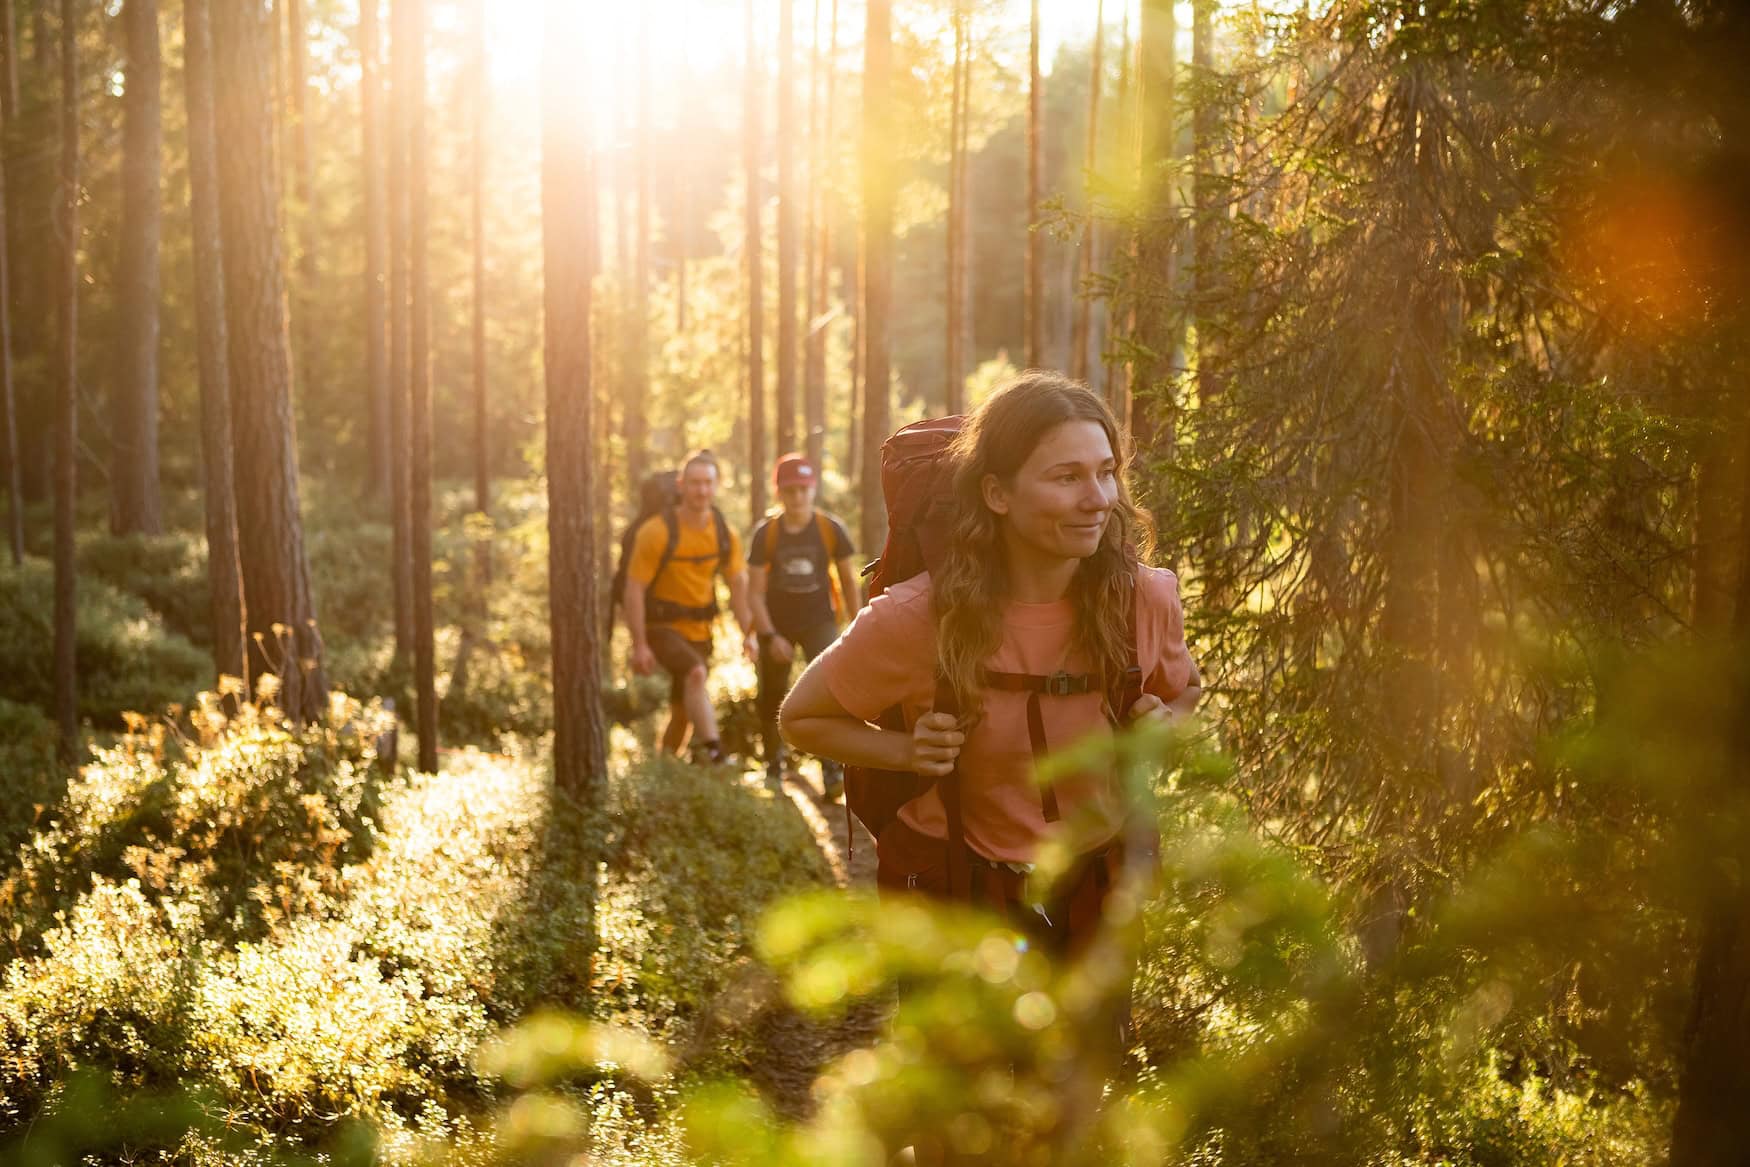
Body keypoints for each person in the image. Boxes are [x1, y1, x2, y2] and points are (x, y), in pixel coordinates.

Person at [779, 371, 1201, 953]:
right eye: (1066, 477)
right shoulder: (916, 616)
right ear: (997, 493)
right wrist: (906, 752)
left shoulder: (1145, 599)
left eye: (1107, 473)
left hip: (1092, 895)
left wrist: (1165, 724)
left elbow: (1185, 691)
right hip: (954, 899)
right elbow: (800, 717)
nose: (1099, 499)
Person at [623, 450, 756, 766]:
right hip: (661, 628)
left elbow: (738, 586)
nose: (702, 490)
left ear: (717, 485)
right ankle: (715, 752)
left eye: (708, 483)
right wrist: (639, 644)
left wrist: (748, 634)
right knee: (695, 674)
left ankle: (663, 767)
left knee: (683, 712)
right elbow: (633, 589)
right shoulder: (655, 532)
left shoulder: (725, 534)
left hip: (700, 632)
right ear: (681, 485)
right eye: (695, 483)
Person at [747, 454, 859, 793]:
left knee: (828, 695)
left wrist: (857, 627)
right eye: (789, 490)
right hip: (776, 625)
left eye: (803, 489)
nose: (797, 497)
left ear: (813, 490)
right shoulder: (766, 534)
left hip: (819, 622)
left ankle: (831, 770)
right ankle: (773, 764)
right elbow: (754, 593)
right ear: (779, 492)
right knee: (771, 695)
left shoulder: (830, 529)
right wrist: (769, 635)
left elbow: (849, 581)